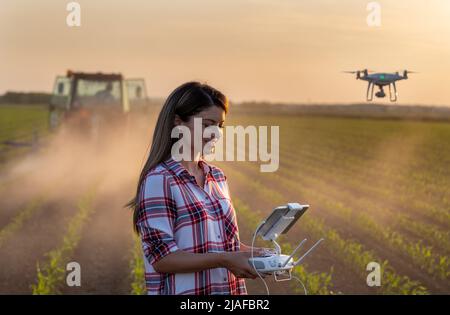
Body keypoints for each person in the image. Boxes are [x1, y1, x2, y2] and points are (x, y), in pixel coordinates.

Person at [126, 82, 266, 295]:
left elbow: (226, 244)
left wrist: (258, 255)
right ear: (178, 123)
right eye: (208, 124)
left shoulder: (217, 177)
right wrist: (225, 260)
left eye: (220, 126)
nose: (215, 134)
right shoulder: (160, 180)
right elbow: (162, 259)